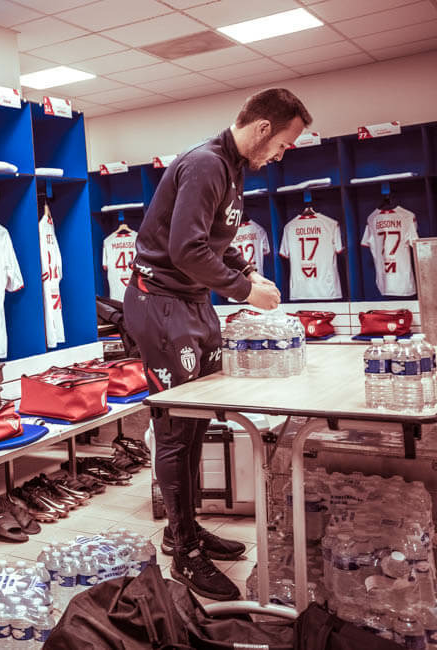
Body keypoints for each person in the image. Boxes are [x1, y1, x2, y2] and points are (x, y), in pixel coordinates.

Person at [123, 88, 311, 601]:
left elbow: (212, 240)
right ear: (263, 129)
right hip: (161, 303)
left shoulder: (233, 169)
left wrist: (247, 270)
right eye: (283, 144)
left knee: (199, 421)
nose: (281, 155)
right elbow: (185, 249)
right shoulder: (205, 164)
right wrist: (245, 291)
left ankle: (183, 528)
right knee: (175, 430)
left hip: (193, 303)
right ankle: (184, 553)